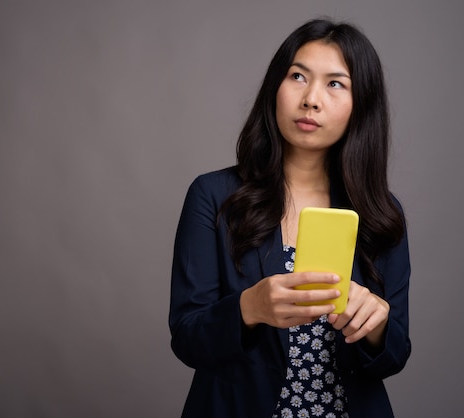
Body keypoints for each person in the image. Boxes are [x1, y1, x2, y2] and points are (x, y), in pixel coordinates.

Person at [169, 19, 411, 418]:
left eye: (336, 83)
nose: (311, 99)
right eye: (298, 76)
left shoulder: (382, 213)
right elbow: (187, 339)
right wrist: (249, 307)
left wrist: (378, 326)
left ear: (360, 105)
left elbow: (395, 356)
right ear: (275, 88)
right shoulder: (214, 196)